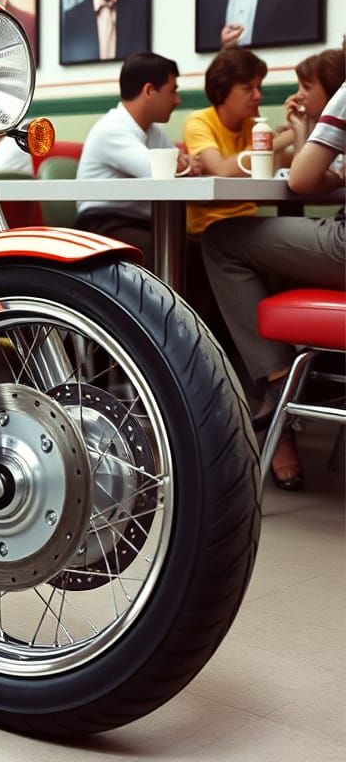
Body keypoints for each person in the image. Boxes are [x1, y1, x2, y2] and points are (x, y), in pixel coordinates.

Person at [202, 47, 344, 490]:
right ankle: (281, 392)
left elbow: (302, 181)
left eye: (306, 88)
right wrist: (304, 133)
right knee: (268, 255)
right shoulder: (204, 123)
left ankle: (279, 386)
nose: (294, 96)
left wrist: (306, 135)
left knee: (222, 241)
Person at [75, 52, 197, 260]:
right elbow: (162, 169)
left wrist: (183, 164)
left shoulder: (153, 131)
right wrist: (182, 164)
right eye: (172, 91)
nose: (177, 100)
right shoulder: (112, 128)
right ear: (149, 90)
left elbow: (184, 167)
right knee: (181, 255)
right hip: (103, 225)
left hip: (142, 224)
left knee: (204, 250)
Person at [182, 47, 293, 236]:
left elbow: (277, 169)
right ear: (221, 91)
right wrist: (285, 139)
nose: (258, 96)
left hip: (248, 224)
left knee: (292, 231)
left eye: (259, 87)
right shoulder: (199, 121)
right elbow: (221, 170)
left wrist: (298, 131)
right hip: (210, 229)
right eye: (248, 88)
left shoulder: (251, 125)